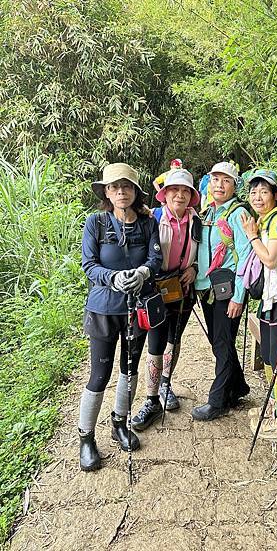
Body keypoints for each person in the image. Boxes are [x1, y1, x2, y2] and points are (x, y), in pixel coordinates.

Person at [79, 163, 163, 471]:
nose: (120, 192)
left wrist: (143, 272)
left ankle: (119, 423)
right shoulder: (96, 223)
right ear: (106, 193)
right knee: (99, 375)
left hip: (136, 308)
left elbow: (156, 257)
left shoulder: (147, 222)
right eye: (114, 187)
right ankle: (86, 438)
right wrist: (112, 278)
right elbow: (89, 264)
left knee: (130, 369)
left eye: (126, 187)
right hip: (104, 309)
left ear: (135, 191)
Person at [131, 169, 201, 429]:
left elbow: (201, 252)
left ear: (191, 196)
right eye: (175, 190)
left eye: (185, 191)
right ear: (165, 194)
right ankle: (151, 400)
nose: (180, 195)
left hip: (182, 289)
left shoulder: (197, 221)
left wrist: (194, 268)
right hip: (156, 289)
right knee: (156, 343)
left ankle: (166, 384)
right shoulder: (153, 218)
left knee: (175, 338)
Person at [240, 169, 277, 443]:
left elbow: (271, 259)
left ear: (276, 195)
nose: (258, 197)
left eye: (264, 191)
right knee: (267, 355)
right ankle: (275, 410)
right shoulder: (265, 220)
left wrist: (252, 236)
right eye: (253, 192)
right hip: (270, 297)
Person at [192, 161, 252, 420]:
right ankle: (237, 387)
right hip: (208, 289)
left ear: (234, 186)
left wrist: (239, 297)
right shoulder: (208, 213)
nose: (219, 184)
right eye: (216, 179)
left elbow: (247, 257)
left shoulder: (238, 214)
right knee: (219, 343)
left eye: (226, 180)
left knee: (223, 343)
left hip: (228, 293)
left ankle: (217, 402)